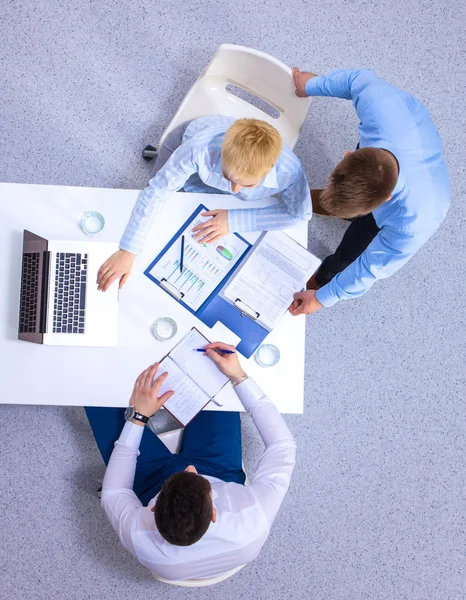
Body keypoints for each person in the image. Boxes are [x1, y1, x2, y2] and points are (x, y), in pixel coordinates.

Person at [85, 342, 296, 581]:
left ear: (153, 508)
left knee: (96, 394)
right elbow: (283, 446)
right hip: (219, 469)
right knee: (211, 376)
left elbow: (115, 492)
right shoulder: (253, 517)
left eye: (186, 473)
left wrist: (138, 417)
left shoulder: (138, 536)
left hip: (152, 481)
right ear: (215, 511)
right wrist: (239, 376)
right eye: (196, 476)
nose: (191, 468)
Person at [289, 67, 450, 317]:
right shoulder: (379, 107)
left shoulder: (413, 222)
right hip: (398, 127)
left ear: (381, 203)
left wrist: (322, 298)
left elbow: (370, 268)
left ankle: (321, 278)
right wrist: (310, 85)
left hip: (420, 190)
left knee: (348, 255)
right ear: (349, 155)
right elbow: (355, 80)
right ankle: (315, 204)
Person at [97, 115, 312, 291]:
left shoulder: (289, 172)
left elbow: (300, 214)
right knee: (164, 218)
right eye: (229, 178)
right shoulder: (199, 148)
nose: (234, 191)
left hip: (214, 188)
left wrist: (235, 220)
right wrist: (128, 250)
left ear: (270, 169)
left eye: (246, 185)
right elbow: (158, 190)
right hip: (186, 154)